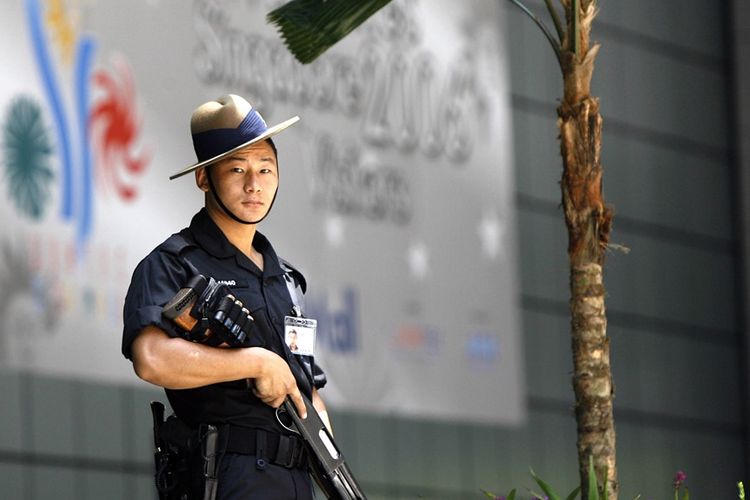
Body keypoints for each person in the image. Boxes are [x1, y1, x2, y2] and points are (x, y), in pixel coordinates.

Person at [122, 94, 328, 500]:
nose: (254, 184)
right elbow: (151, 359)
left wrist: (330, 462)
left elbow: (308, 390)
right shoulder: (173, 264)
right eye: (237, 169)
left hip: (297, 480)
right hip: (228, 477)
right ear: (204, 178)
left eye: (265, 169)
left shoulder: (286, 279)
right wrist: (252, 362)